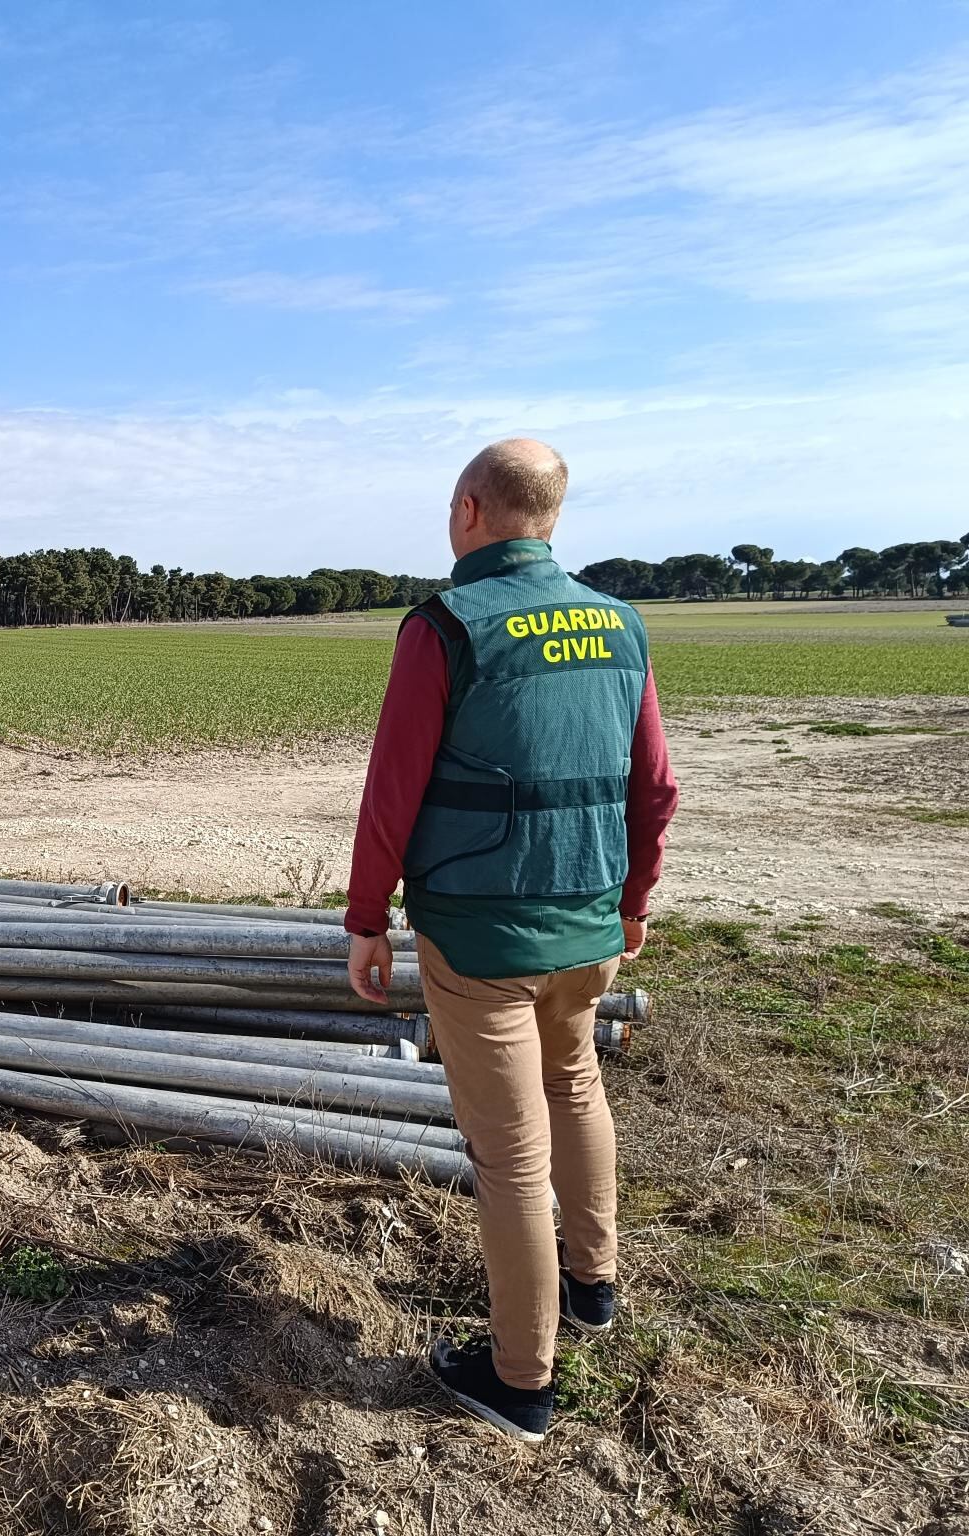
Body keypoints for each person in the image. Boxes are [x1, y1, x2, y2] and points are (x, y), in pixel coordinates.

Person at [344, 438, 679, 1443]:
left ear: (468, 511)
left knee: (506, 1157)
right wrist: (633, 901)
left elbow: (391, 790)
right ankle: (592, 1286)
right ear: (553, 517)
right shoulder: (618, 624)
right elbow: (653, 786)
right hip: (587, 924)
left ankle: (519, 1381)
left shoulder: (445, 626)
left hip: (481, 936)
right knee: (573, 1082)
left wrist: (366, 918)